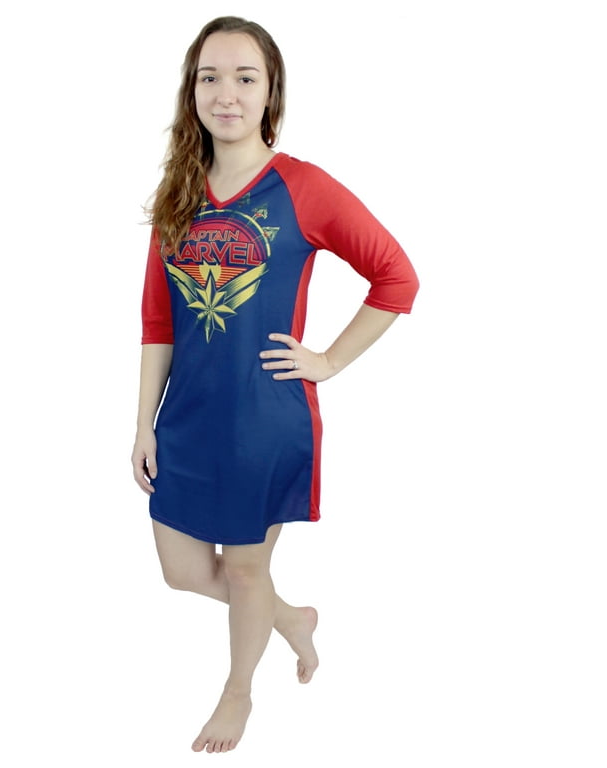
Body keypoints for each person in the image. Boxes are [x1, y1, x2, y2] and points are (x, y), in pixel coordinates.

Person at [131, 16, 419, 754]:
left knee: (246, 566)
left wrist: (329, 360)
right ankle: (290, 617)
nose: (225, 94)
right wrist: (142, 425)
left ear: (270, 93)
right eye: (210, 77)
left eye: (244, 78)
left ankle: (238, 692)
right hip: (185, 419)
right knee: (182, 571)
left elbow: (396, 278)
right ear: (192, 90)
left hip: (265, 418)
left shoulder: (304, 187)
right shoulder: (178, 191)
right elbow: (158, 321)